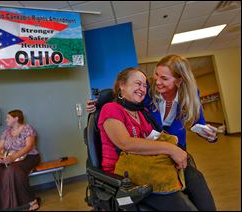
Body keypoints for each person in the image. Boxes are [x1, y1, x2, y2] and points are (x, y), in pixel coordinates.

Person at [97, 67, 216, 210]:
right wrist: (170, 149)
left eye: (145, 85)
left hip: (150, 165)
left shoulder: (143, 113)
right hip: (124, 173)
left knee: (195, 177)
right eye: (137, 83)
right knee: (182, 205)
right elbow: (125, 143)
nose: (142, 88)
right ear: (122, 85)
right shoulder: (110, 109)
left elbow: (157, 139)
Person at [87, 54, 218, 151]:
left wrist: (209, 135)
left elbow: (198, 123)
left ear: (179, 81)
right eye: (156, 74)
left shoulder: (191, 94)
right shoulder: (148, 87)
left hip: (177, 143)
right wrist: (100, 101)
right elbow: (126, 92)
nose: (158, 81)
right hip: (152, 144)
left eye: (164, 78)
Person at [0, 110, 41, 211]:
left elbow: (29, 146)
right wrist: (0, 156)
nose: (6, 120)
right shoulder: (6, 132)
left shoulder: (27, 128)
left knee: (13, 170)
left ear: (16, 118)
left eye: (8, 117)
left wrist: (13, 158)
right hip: (10, 158)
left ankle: (32, 201)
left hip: (29, 157)